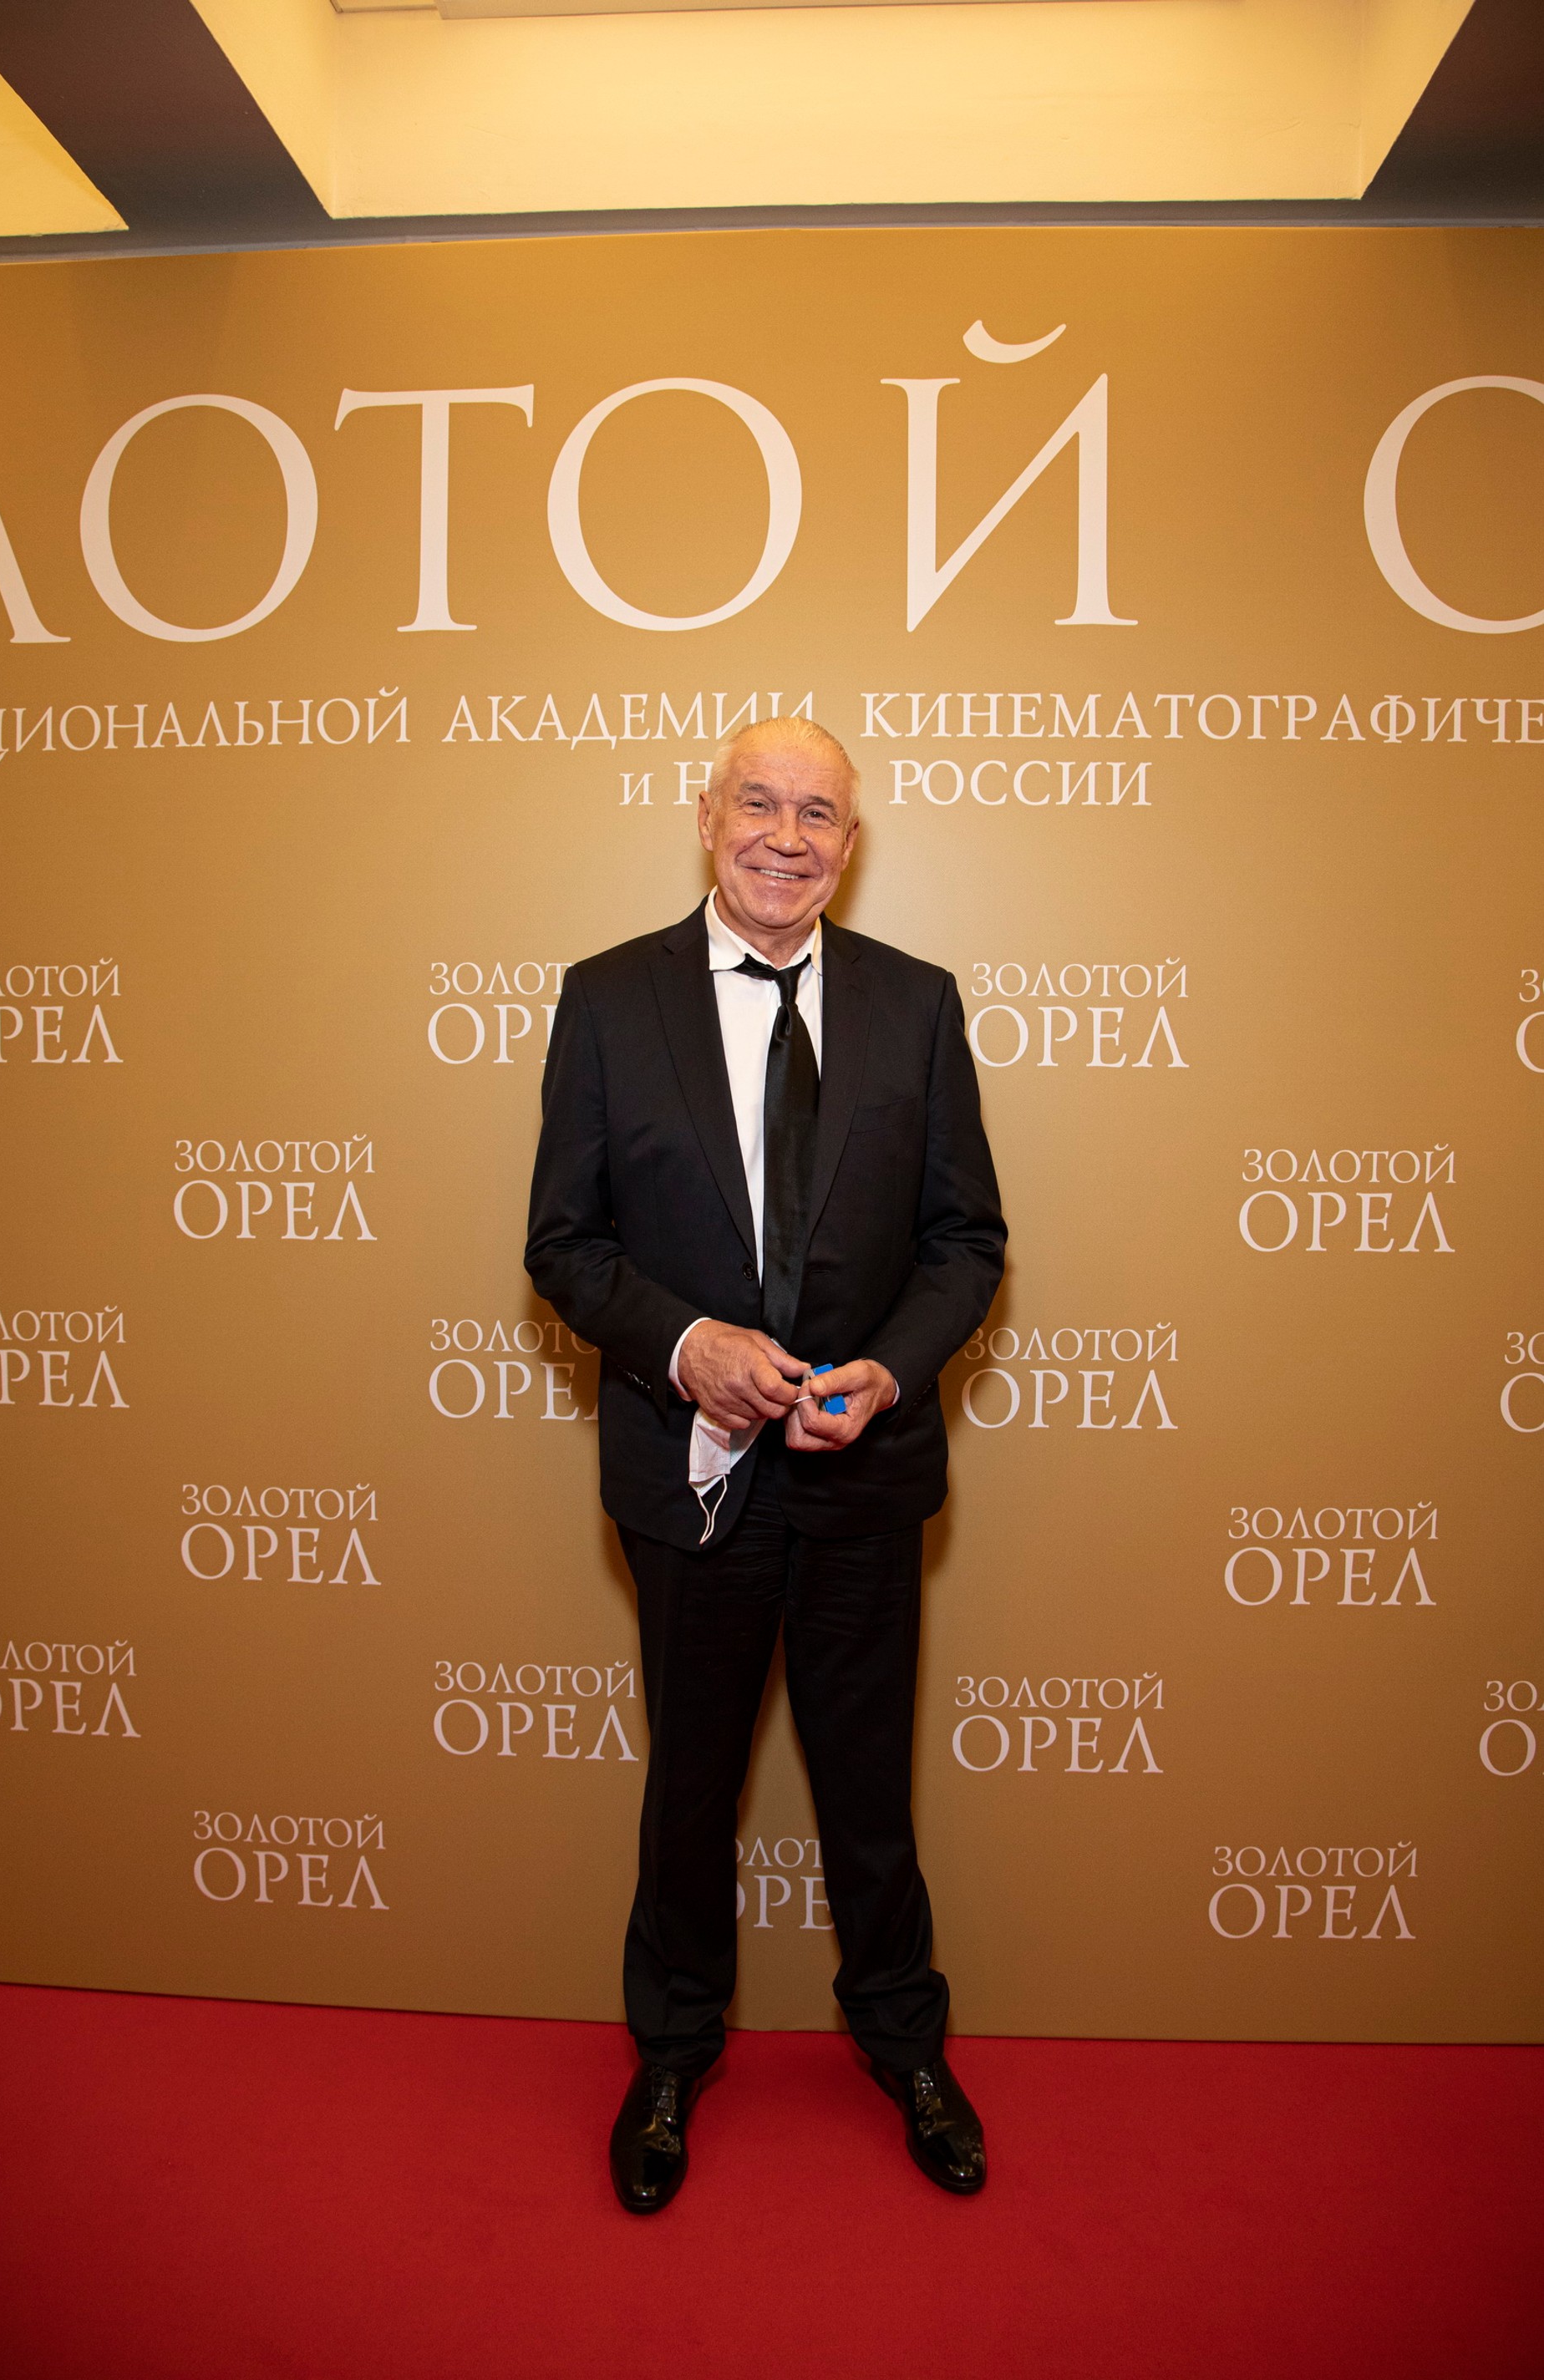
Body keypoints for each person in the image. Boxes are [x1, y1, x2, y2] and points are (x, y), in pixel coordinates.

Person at [525, 715, 1006, 2211]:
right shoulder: (609, 999)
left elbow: (966, 1240)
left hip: (865, 1475)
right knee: (689, 1790)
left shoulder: (917, 1003)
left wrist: (894, 1367)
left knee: (870, 1793)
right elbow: (564, 1244)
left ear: (850, 845)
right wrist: (688, 1347)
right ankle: (672, 2053)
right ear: (706, 816)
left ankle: (905, 2045)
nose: (785, 837)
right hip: (693, 1476)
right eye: (759, 802)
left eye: (818, 813)